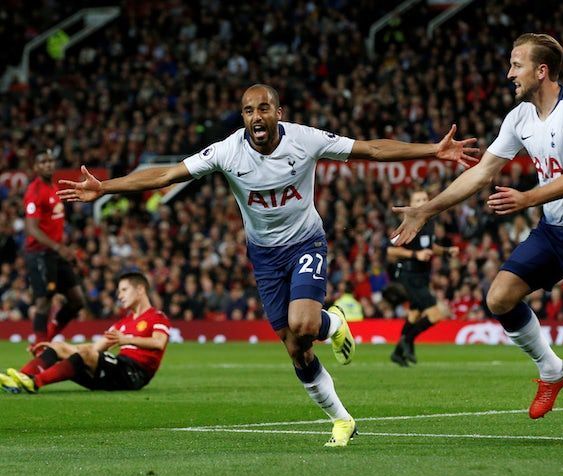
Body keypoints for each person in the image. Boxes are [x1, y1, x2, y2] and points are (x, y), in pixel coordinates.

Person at [56, 83, 478, 447]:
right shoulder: (226, 151)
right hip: (264, 256)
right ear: (242, 117)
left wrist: (432, 149)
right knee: (296, 349)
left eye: (263, 108)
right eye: (247, 110)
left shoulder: (305, 139)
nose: (255, 116)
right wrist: (106, 188)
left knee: (305, 324)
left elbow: (370, 149)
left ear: (278, 113)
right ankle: (342, 418)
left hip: (306, 242)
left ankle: (329, 324)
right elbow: (166, 175)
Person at [391, 34, 563, 445]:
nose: (509, 73)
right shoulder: (520, 117)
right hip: (554, 231)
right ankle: (552, 369)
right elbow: (482, 172)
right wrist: (427, 209)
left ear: (541, 71)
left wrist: (526, 198)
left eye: (516, 64)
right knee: (500, 297)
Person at [0, 271, 170, 394]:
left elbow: (159, 342)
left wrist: (126, 339)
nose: (119, 295)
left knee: (85, 353)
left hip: (134, 373)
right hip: (114, 370)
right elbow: (96, 348)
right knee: (59, 346)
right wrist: (64, 348)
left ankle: (35, 382)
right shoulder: (123, 323)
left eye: (124, 290)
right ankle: (19, 378)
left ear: (140, 290)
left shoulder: (156, 317)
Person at [386, 190, 458, 367]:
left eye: (425, 199)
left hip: (422, 275)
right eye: (417, 199)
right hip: (408, 275)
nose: (423, 201)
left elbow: (429, 246)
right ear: (410, 204)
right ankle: (407, 341)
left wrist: (447, 251)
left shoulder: (429, 222)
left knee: (414, 314)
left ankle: (397, 353)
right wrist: (415, 254)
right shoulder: (406, 222)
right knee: (436, 314)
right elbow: (390, 250)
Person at [23, 149, 86, 346]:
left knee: (77, 301)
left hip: (56, 252)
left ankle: (46, 337)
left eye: (51, 161)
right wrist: (59, 248)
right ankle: (40, 347)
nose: (48, 165)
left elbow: (52, 226)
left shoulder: (53, 188)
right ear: (36, 167)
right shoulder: (34, 191)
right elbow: (32, 229)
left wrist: (63, 249)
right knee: (44, 301)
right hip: (39, 254)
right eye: (43, 162)